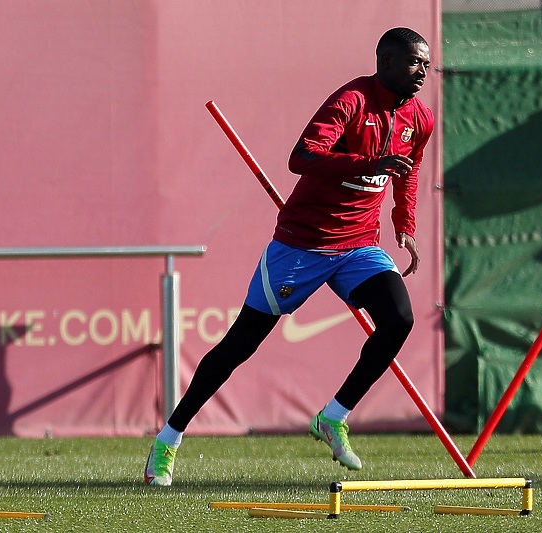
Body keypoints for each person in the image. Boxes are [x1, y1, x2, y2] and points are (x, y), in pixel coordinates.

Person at [144, 27, 433, 485]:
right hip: (302, 243)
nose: (424, 71)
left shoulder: (420, 118)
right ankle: (168, 439)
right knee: (240, 345)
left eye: (428, 64)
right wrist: (366, 164)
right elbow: (301, 157)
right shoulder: (351, 101)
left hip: (360, 244)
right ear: (387, 61)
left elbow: (409, 172)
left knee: (399, 318)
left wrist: (406, 227)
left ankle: (333, 416)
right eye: (416, 62)